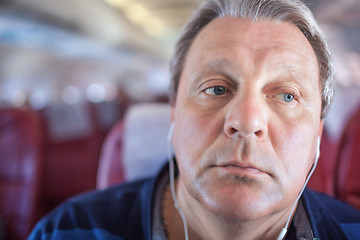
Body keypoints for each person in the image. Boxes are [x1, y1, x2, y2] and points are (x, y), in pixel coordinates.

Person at [28, 0, 360, 239]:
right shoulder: (67, 230)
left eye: (287, 96)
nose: (247, 121)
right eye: (216, 89)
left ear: (317, 134)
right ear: (174, 117)